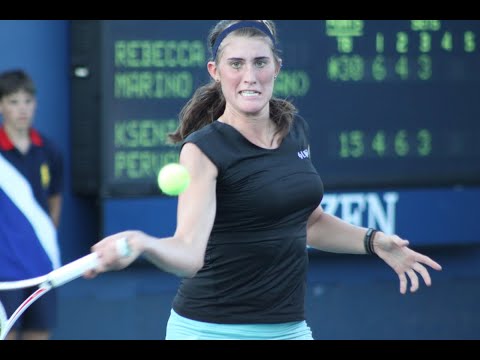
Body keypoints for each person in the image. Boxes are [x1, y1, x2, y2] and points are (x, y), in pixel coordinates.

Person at [84, 20, 442, 340]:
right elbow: (189, 253)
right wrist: (144, 243)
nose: (249, 76)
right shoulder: (202, 150)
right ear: (215, 70)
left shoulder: (294, 130)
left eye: (260, 62)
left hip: (290, 329)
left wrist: (373, 241)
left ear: (277, 67)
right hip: (209, 331)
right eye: (235, 64)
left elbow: (308, 222)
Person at [0, 69, 64, 340]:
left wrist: (44, 238)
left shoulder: (49, 150)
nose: (22, 109)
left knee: (39, 332)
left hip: (42, 264)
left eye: (27, 101)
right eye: (14, 102)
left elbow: (55, 198)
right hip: (4, 270)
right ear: (1, 105)